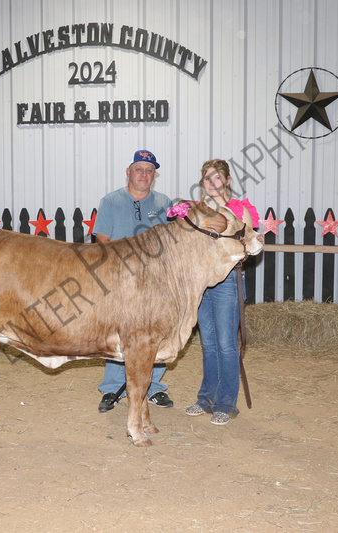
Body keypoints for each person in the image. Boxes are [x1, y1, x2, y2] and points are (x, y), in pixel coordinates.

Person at [93, 149, 174, 413]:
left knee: (157, 332)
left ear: (154, 175)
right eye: (139, 169)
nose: (144, 174)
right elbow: (102, 240)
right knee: (120, 333)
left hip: (155, 280)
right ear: (128, 172)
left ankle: (153, 388)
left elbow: (171, 242)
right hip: (120, 278)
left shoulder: (164, 203)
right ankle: (112, 388)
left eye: (149, 170)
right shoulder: (111, 201)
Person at [185, 158, 259, 425]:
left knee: (227, 344)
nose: (212, 183)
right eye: (207, 178)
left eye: (217, 177)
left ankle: (226, 403)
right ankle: (206, 397)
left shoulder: (240, 210)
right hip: (204, 283)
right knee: (209, 342)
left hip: (227, 281)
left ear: (227, 180)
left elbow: (247, 245)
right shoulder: (199, 211)